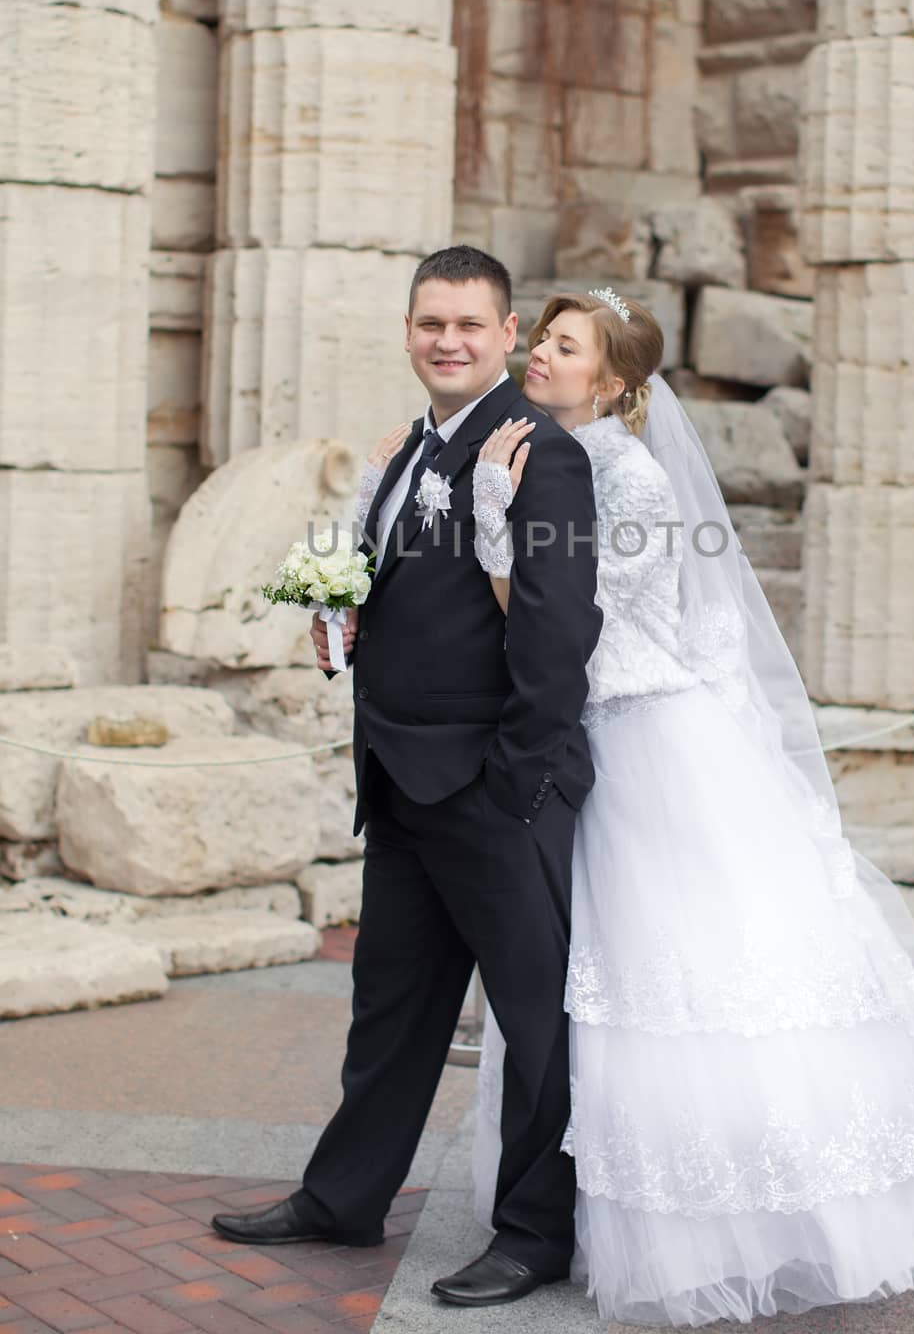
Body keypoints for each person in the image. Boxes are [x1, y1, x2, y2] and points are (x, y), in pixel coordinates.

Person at [460, 287, 914, 1325]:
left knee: (664, 977)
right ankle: (569, 1201)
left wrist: (491, 515)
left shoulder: (622, 474)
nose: (535, 354)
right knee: (597, 982)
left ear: (610, 381)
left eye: (560, 345)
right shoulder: (563, 455)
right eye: (538, 337)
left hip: (638, 739)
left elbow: (562, 625)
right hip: (610, 733)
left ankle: (718, 1220)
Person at [212, 247, 603, 1310]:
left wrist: (515, 784)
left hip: (493, 789)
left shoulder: (541, 456)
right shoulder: (409, 452)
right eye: (431, 322)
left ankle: (532, 1233)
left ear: (506, 332)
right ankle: (341, 1196)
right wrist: (343, 625)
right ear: (406, 330)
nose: (448, 340)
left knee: (534, 1021)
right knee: (388, 1008)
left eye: (469, 325)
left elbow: (559, 630)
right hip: (398, 779)